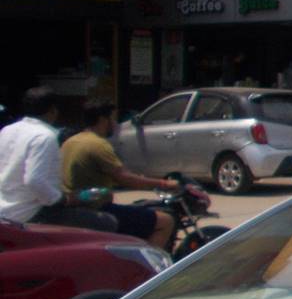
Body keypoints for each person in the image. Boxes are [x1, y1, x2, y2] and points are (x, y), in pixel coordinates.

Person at [61, 102, 176, 249]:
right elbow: (127, 179)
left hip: (75, 209)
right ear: (103, 120)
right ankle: (151, 268)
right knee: (165, 221)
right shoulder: (98, 145)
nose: (115, 124)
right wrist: (164, 184)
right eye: (112, 119)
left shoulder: (70, 142)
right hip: (97, 210)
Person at [0, 88, 111, 231]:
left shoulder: (8, 130)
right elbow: (34, 180)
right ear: (53, 110)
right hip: (31, 213)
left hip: (5, 211)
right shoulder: (44, 136)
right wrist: (62, 199)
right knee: (107, 222)